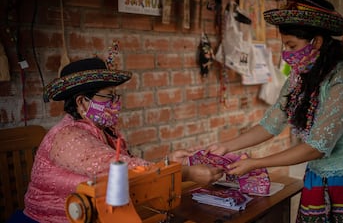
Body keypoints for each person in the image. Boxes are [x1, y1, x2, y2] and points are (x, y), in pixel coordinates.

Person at [207, 0, 343, 222]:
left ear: (316, 42)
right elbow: (271, 124)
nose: (286, 53)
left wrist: (256, 163)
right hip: (321, 171)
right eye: (285, 45)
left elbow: (316, 147)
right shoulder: (299, 77)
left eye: (291, 46)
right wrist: (225, 147)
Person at [9, 57, 223, 223]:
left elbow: (129, 169)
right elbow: (120, 170)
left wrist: (168, 162)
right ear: (83, 103)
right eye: (109, 96)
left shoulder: (101, 130)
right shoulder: (68, 137)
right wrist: (185, 172)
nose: (116, 103)